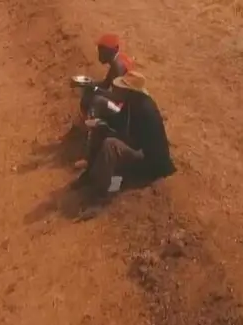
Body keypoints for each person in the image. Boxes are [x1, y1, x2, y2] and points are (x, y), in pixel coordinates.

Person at [73, 70, 175, 217]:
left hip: (151, 163)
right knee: (101, 131)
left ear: (130, 92)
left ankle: (101, 197)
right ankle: (90, 174)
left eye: (120, 88)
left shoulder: (143, 110)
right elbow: (120, 121)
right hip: (141, 149)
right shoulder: (133, 103)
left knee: (111, 145)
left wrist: (108, 131)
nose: (116, 89)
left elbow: (135, 143)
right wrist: (103, 124)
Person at [79, 33, 136, 121]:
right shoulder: (117, 61)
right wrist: (89, 83)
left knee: (98, 101)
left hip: (126, 111)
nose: (99, 53)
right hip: (124, 105)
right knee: (89, 90)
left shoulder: (118, 67)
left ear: (111, 51)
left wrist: (96, 89)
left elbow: (118, 97)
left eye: (102, 50)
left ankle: (93, 130)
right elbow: (106, 84)